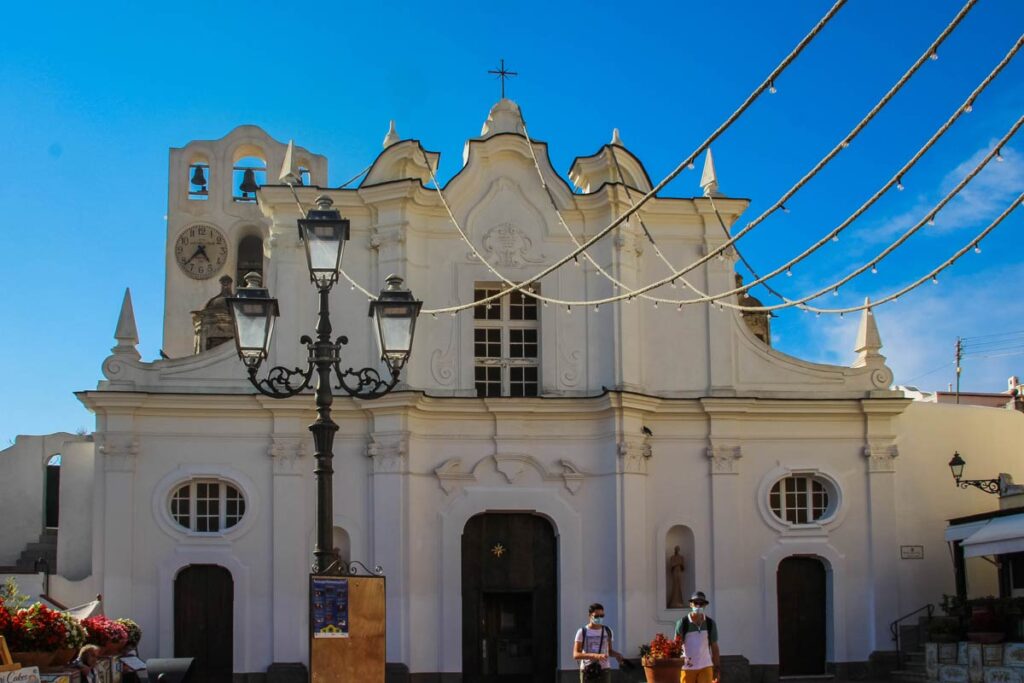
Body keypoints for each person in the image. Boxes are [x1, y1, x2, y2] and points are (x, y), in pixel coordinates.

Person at [675, 591, 720, 683]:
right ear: (691, 604)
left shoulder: (710, 623)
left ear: (705, 605)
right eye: (696, 603)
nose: (698, 606)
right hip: (687, 668)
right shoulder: (682, 623)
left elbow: (714, 647)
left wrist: (717, 669)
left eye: (701, 603)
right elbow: (676, 647)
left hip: (706, 667)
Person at [573, 602, 624, 682]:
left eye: (602, 616)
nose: (599, 618)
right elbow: (576, 655)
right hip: (587, 669)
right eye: (596, 616)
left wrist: (617, 655)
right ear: (590, 616)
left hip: (604, 669)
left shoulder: (607, 631)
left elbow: (609, 651)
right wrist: (595, 656)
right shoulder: (582, 631)